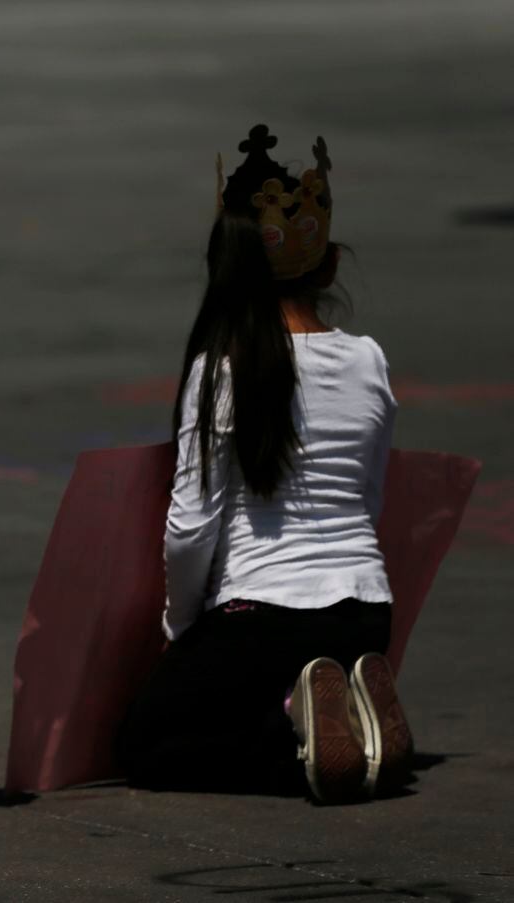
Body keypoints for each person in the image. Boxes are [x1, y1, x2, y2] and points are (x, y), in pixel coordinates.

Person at [116, 126, 409, 805]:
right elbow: (370, 502)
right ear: (330, 265)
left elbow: (191, 526)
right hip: (366, 611)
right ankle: (346, 723)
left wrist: (181, 631)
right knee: (240, 699)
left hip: (262, 615)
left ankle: (301, 752)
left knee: (146, 745)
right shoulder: (368, 359)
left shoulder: (221, 366)